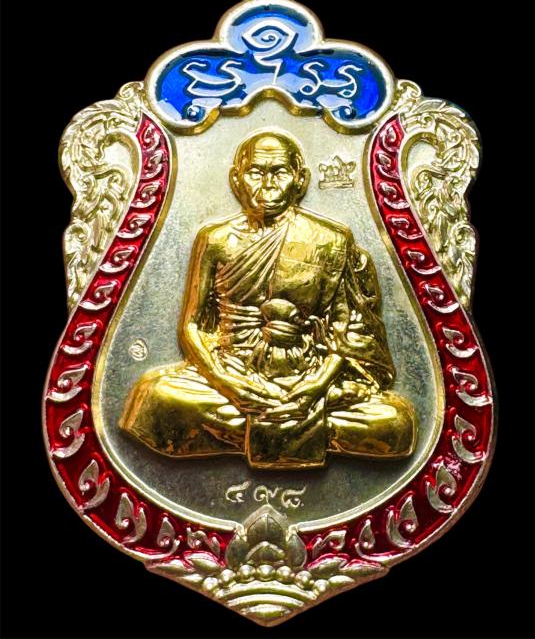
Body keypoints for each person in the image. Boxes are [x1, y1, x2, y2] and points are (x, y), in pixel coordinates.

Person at [119, 130, 417, 468]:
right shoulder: (215, 240)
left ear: (300, 180)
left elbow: (346, 332)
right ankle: (292, 429)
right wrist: (227, 383)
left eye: (279, 172)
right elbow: (193, 326)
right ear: (236, 180)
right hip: (233, 373)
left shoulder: (332, 240)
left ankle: (245, 430)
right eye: (256, 173)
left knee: (395, 421)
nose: (268, 184)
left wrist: (316, 386)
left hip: (310, 377)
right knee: (154, 398)